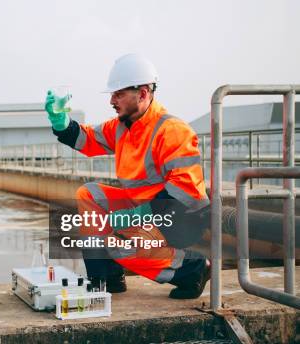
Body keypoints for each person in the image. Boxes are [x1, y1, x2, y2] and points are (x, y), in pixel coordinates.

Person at [45, 53, 211, 299]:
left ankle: (192, 269)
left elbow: (183, 190)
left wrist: (135, 216)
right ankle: (108, 278)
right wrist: (61, 122)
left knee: (118, 246)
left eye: (119, 93)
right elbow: (87, 139)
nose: (112, 100)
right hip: (144, 207)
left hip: (179, 218)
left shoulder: (173, 130)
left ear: (143, 94)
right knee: (89, 194)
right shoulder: (122, 126)